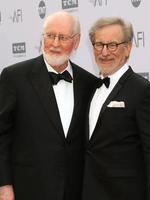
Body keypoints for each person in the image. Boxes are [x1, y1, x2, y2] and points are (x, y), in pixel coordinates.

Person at [0, 11, 97, 200]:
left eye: (63, 37)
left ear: (76, 42)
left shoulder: (90, 83)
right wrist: (4, 185)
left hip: (75, 190)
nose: (55, 44)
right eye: (50, 36)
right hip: (27, 188)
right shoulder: (14, 77)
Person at [82, 16, 150, 200]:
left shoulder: (143, 91)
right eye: (99, 44)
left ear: (128, 48)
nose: (104, 52)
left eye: (112, 45)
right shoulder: (90, 88)